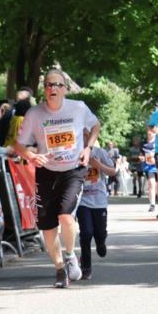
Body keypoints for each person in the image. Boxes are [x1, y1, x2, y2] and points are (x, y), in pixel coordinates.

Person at [15, 68, 100, 288]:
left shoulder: (78, 108)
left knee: (65, 216)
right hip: (46, 173)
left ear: (65, 89)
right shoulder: (34, 114)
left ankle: (71, 255)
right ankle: (60, 269)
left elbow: (95, 125)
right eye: (48, 85)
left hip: (73, 170)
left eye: (57, 85)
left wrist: (88, 148)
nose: (52, 89)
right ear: (44, 90)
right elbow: (19, 144)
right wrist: (32, 156)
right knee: (47, 225)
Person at [76, 143, 116, 281]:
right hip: (82, 200)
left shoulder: (100, 153)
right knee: (86, 233)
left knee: (100, 232)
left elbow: (112, 171)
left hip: (99, 200)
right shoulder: (74, 151)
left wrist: (97, 164)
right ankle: (86, 267)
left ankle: (101, 242)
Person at [141, 129, 158, 211]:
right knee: (151, 184)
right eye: (148, 132)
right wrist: (141, 158)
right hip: (148, 166)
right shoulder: (144, 143)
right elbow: (141, 154)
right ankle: (152, 204)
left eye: (151, 132)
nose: (149, 133)